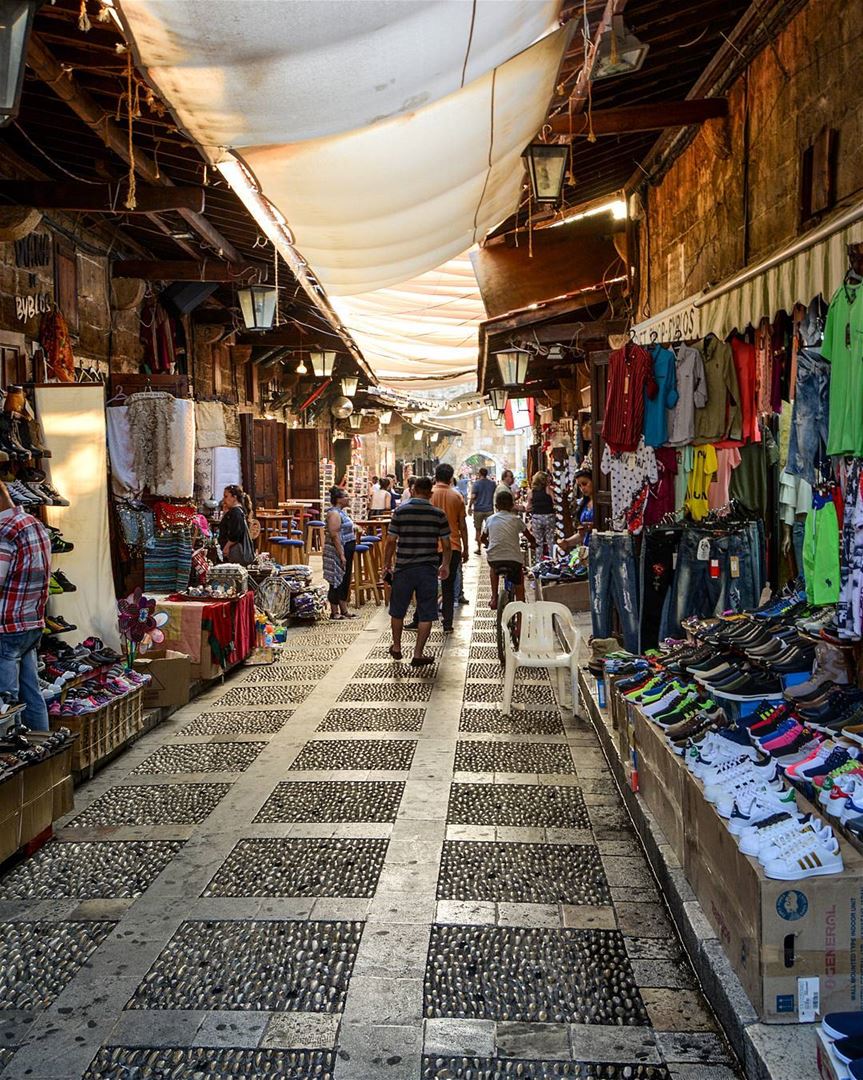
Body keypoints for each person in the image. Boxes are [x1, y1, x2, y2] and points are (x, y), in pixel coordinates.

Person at [0, 479, 52, 731]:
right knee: (32, 692)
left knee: (6, 699)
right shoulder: (35, 524)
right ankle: (42, 749)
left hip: (7, 624)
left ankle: (14, 751)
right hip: (31, 620)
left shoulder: (4, 530)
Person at [384, 475, 451, 665]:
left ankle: (396, 647)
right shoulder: (438, 514)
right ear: (430, 493)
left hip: (403, 568)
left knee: (397, 611)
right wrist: (445, 564)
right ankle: (418, 653)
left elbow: (390, 541)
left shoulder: (400, 512)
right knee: (426, 612)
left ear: (413, 491)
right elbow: (446, 544)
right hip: (427, 569)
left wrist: (387, 564)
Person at [431, 463, 469, 632]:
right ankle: (447, 623)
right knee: (448, 585)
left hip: (431, 546)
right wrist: (466, 547)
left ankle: (424, 619)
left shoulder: (428, 495)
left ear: (436, 476)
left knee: (428, 583)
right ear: (451, 477)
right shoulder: (457, 496)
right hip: (452, 546)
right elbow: (462, 525)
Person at [481, 488, 535, 609]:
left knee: (493, 569)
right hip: (514, 560)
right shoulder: (516, 520)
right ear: (512, 506)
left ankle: (494, 597)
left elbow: (482, 538)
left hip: (495, 559)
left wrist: (490, 544)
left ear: (496, 506)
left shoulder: (490, 519)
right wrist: (533, 543)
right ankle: (520, 620)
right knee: (519, 586)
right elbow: (529, 537)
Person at [323, 486, 358, 620]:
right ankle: (335, 611)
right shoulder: (334, 513)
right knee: (336, 577)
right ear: (338, 500)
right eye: (346, 496)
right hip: (337, 550)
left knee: (345, 578)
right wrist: (341, 554)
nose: (348, 498)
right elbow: (334, 534)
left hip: (347, 548)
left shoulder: (342, 512)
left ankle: (344, 609)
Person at [218, 484, 253, 564]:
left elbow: (236, 533)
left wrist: (227, 546)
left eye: (226, 496)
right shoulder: (235, 511)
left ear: (234, 497)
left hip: (234, 550)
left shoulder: (236, 512)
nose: (224, 500)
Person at [560, 469, 595, 551]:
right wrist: (567, 542)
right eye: (579, 485)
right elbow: (581, 535)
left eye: (585, 484)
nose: (582, 488)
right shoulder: (584, 504)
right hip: (586, 549)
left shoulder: (601, 504)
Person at [525, 470, 556, 558]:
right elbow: (555, 501)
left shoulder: (531, 492)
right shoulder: (548, 489)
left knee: (538, 542)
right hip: (549, 517)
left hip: (537, 518)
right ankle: (552, 560)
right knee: (550, 540)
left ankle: (539, 561)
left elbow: (528, 507)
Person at [468, 466, 496, 553]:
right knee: (490, 530)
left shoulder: (476, 484)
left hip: (478, 510)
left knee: (478, 529)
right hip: (489, 509)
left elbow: (473, 497)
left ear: (479, 474)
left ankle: (479, 549)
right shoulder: (492, 484)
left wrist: (469, 507)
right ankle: (491, 548)